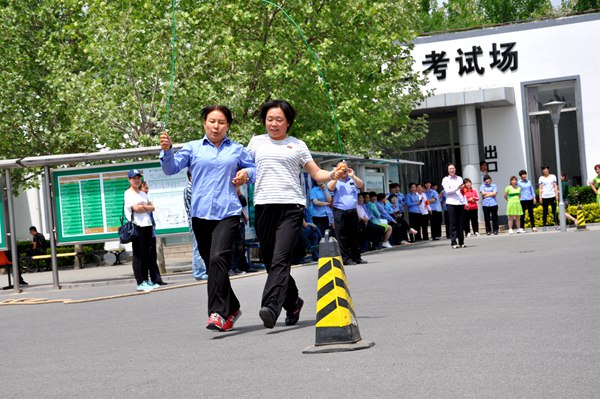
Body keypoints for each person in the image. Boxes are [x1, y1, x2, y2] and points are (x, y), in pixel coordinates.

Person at [246, 99, 342, 329]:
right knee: (270, 262)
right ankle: (294, 302)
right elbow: (245, 167)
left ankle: (270, 307)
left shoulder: (297, 145)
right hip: (263, 207)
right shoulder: (255, 143)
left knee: (280, 259)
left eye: (279, 119)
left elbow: (317, 173)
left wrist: (334, 174)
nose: (274, 124)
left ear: (288, 122)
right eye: (270, 119)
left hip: (291, 207)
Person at [160, 105, 255, 332]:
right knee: (213, 265)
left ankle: (217, 313)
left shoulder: (237, 149)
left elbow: (254, 169)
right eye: (212, 121)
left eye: (221, 122)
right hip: (201, 215)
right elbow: (171, 169)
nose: (216, 126)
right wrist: (167, 150)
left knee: (217, 259)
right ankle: (233, 307)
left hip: (228, 212)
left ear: (228, 126)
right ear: (204, 123)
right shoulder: (193, 148)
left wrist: (245, 174)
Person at [124, 170, 164, 292]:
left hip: (147, 225)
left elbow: (152, 207)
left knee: (147, 254)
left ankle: (147, 280)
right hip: (137, 226)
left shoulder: (142, 193)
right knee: (138, 255)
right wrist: (143, 207)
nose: (137, 180)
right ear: (129, 180)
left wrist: (143, 207)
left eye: (138, 178)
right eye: (134, 178)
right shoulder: (128, 193)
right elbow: (136, 208)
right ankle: (140, 281)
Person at [328, 162, 370, 262]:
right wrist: (337, 176)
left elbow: (361, 185)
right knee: (342, 235)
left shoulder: (352, 179)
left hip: (352, 211)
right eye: (342, 170)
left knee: (354, 234)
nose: (344, 172)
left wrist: (353, 175)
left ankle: (357, 257)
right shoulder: (335, 180)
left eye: (345, 170)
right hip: (340, 211)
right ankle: (346, 258)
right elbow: (330, 187)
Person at [140, 181, 166, 286]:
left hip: (151, 232)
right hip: (143, 232)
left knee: (152, 257)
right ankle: (145, 280)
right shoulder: (139, 201)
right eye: (144, 188)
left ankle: (156, 279)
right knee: (145, 257)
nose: (146, 190)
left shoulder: (147, 200)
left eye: (147, 188)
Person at [184, 170, 208, 281]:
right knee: (197, 247)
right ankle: (199, 272)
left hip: (200, 221)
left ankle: (202, 270)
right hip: (195, 221)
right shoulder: (189, 189)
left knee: (201, 246)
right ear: (190, 177)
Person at [442, 163, 466, 248]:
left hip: (460, 202)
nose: (452, 170)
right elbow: (447, 191)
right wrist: (457, 188)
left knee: (461, 223)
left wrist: (464, 201)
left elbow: (462, 191)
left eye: (453, 168)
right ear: (448, 170)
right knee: (453, 223)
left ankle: (461, 242)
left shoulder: (459, 178)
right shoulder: (445, 179)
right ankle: (453, 242)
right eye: (450, 169)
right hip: (451, 203)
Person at [538, 165, 559, 230]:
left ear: (548, 170)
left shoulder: (553, 176)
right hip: (544, 196)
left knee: (554, 211)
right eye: (543, 169)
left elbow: (555, 186)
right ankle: (544, 226)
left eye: (546, 169)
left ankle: (556, 224)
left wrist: (556, 195)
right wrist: (540, 197)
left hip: (552, 195)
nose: (545, 171)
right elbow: (540, 188)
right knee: (545, 211)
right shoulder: (541, 178)